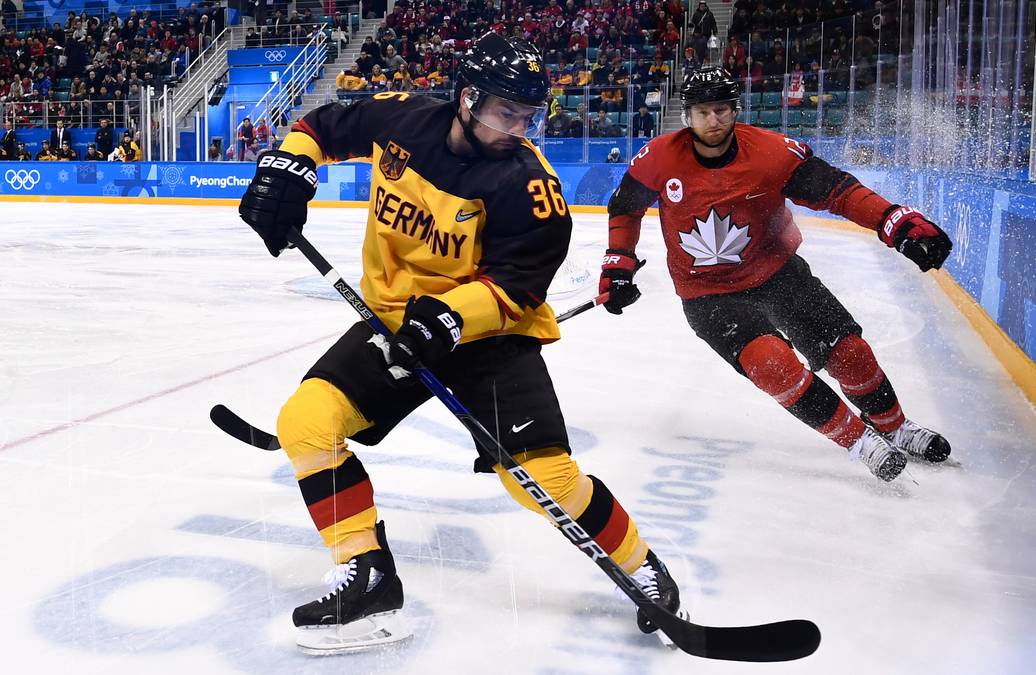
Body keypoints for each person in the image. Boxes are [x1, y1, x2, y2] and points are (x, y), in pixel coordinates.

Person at [237, 32, 685, 655]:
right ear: (467, 99)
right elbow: (322, 125)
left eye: (530, 116)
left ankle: (642, 565)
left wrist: (448, 318)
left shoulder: (531, 188)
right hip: (396, 323)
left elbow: (517, 289)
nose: (519, 127)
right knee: (307, 422)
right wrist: (287, 168)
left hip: (490, 336)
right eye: (508, 112)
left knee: (542, 480)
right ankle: (366, 572)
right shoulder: (403, 119)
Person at [600, 68, 953, 482]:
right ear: (687, 116)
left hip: (779, 272)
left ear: (735, 111)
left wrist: (894, 221)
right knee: (770, 362)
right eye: (701, 112)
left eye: (721, 110)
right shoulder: (658, 157)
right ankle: (861, 441)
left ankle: (895, 425)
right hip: (707, 295)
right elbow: (626, 207)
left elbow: (837, 191)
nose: (712, 121)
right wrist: (618, 264)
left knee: (850, 353)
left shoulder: (771, 153)